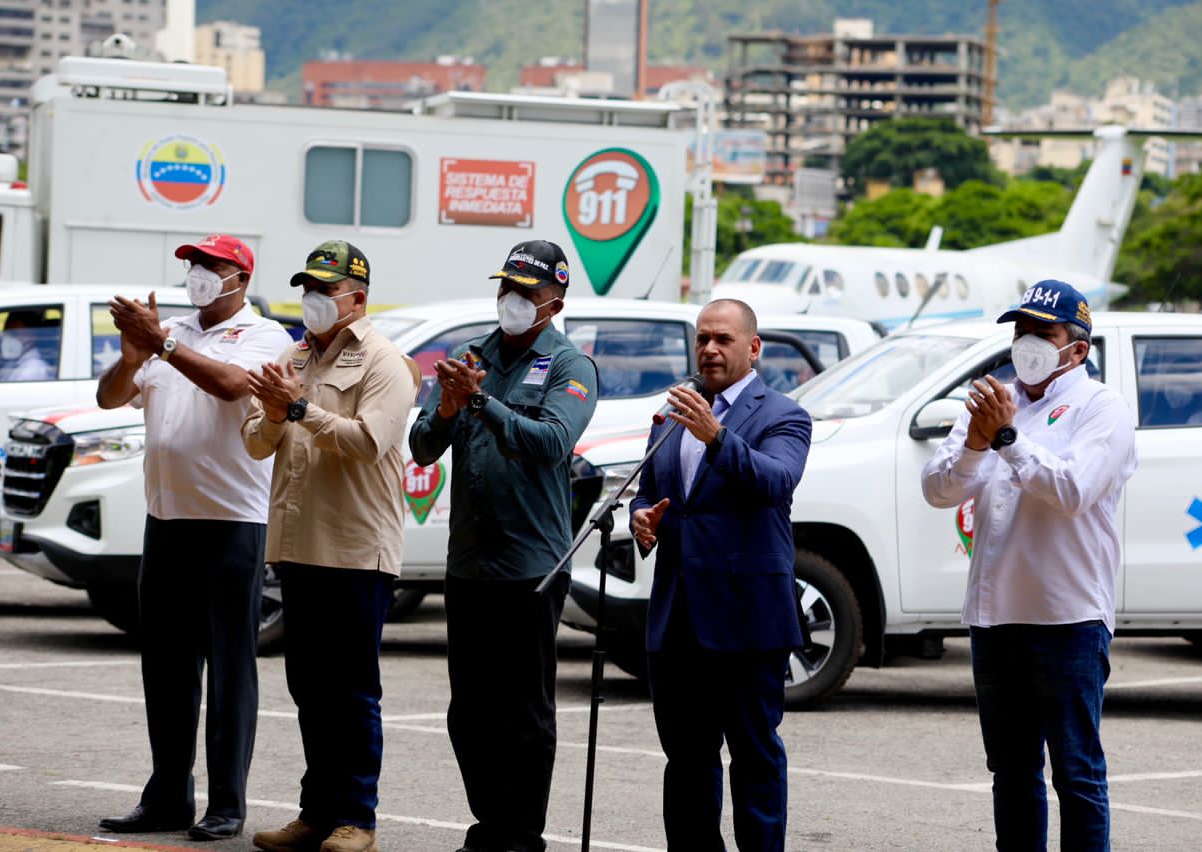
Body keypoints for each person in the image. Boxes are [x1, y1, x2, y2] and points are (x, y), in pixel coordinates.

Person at [921, 279, 1137, 851]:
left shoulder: (1101, 407)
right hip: (995, 619)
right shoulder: (996, 402)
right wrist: (976, 442)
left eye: (1044, 333)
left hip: (1066, 618)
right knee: (1012, 772)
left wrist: (1008, 439)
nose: (1027, 344)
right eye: (1020, 331)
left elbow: (1073, 490)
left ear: (1078, 349)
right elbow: (937, 489)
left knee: (1076, 773)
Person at [95, 234, 292, 841]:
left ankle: (226, 803)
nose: (199, 274)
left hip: (232, 520)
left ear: (241, 278)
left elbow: (232, 386)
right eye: (194, 265)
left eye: (213, 266)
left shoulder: (264, 335)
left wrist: (162, 344)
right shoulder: (169, 332)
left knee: (229, 668)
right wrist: (133, 357)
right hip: (167, 518)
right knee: (166, 668)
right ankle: (167, 797)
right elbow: (108, 398)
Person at [408, 239, 598, 852]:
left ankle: (520, 834)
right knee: (469, 711)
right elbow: (422, 446)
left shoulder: (570, 366)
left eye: (526, 291)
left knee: (523, 711)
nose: (511, 300)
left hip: (530, 566)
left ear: (554, 303)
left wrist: (480, 402)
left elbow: (551, 442)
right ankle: (489, 824)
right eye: (505, 288)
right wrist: (447, 410)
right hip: (470, 562)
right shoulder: (472, 356)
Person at [243, 241, 418, 852]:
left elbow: (368, 442)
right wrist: (274, 413)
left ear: (357, 298)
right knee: (310, 690)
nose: (312, 299)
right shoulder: (292, 357)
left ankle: (357, 818)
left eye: (325, 289)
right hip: (299, 545)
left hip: (354, 549)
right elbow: (255, 443)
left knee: (351, 692)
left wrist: (297, 409)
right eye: (307, 288)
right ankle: (315, 813)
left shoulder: (385, 361)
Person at [629, 298, 812, 852]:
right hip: (678, 615)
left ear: (753, 348)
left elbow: (776, 480)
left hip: (747, 617)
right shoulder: (675, 412)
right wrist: (643, 517)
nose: (709, 348)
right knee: (686, 760)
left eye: (723, 339)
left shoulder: (783, 414)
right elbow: (650, 490)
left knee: (754, 756)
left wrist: (716, 436)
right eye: (702, 338)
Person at [0, 309, 57, 381]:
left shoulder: (33, 370)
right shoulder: (13, 361)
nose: (6, 338)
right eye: (6, 333)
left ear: (31, 337)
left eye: (14, 334)